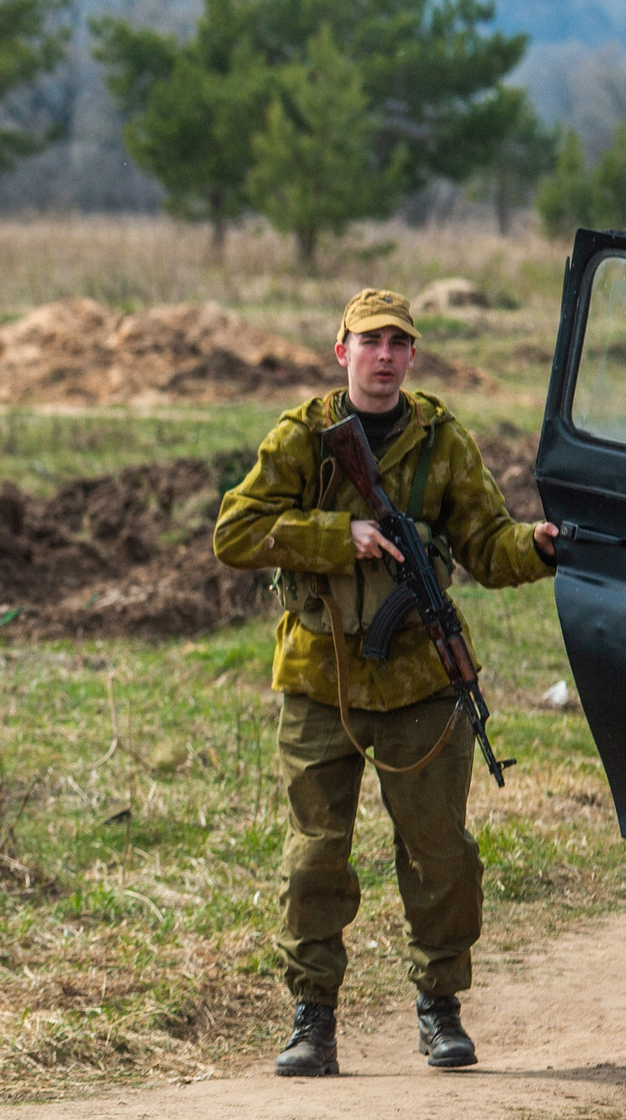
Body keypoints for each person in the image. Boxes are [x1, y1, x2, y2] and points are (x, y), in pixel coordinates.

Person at [212, 288, 560, 1078]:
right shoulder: (306, 436)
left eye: (399, 342)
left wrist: (537, 545)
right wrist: (344, 535)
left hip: (421, 684)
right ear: (342, 350)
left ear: (413, 355)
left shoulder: (441, 441)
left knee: (441, 856)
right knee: (315, 859)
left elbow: (487, 544)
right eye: (370, 340)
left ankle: (440, 1008)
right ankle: (313, 1017)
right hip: (319, 679)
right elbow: (235, 531)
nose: (385, 355)